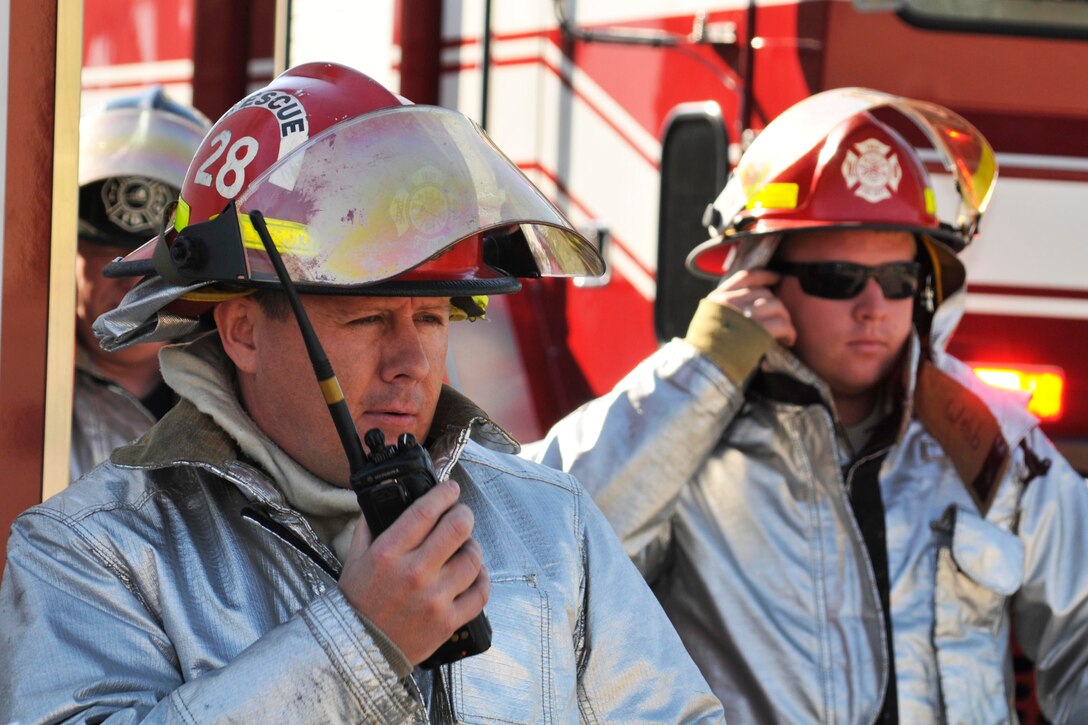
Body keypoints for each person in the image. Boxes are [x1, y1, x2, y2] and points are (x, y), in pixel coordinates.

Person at [0, 63, 724, 723]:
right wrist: (361, 640)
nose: (411, 360)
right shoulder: (93, 552)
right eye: (368, 318)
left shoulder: (551, 525)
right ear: (244, 331)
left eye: (434, 317)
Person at [526, 88, 1088, 723]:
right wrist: (702, 369)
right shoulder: (685, 428)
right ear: (760, 276)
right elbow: (538, 546)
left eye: (899, 282)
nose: (873, 306)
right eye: (838, 279)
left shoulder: (989, 439)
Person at [72, 87, 210, 479]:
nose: (133, 281)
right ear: (70, 252)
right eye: (110, 257)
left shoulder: (241, 390)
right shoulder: (20, 384)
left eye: (157, 260)